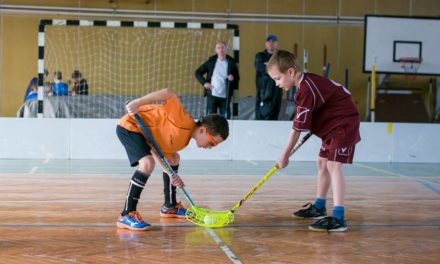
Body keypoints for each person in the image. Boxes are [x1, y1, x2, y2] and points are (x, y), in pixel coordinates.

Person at [267, 50, 361, 232]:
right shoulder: (306, 84)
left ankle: (339, 218)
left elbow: (296, 129)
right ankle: (319, 207)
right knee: (322, 163)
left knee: (334, 165)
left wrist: (284, 155)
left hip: (344, 123)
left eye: (278, 79)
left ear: (291, 72)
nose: (277, 84)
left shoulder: (306, 90)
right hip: (333, 125)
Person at [116, 88, 229, 231]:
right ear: (203, 130)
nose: (211, 147)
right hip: (130, 126)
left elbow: (155, 150)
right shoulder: (182, 121)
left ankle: (170, 206)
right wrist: (138, 102)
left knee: (174, 158)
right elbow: (168, 93)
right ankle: (126, 214)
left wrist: (171, 174)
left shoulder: (183, 141)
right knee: (147, 163)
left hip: (143, 135)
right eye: (212, 142)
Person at [195, 41, 239, 119]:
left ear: (226, 49)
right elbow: (197, 72)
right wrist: (205, 83)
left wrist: (232, 78)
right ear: (216, 50)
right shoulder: (211, 62)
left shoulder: (231, 63)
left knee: (225, 120)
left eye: (222, 47)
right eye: (218, 48)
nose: (221, 50)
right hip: (212, 96)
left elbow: (237, 78)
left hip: (225, 97)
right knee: (211, 120)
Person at [255, 35, 283, 120]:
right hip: (262, 91)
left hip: (277, 90)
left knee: (274, 116)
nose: (271, 44)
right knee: (261, 116)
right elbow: (260, 67)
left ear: (277, 44)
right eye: (269, 42)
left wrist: (268, 65)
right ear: (266, 43)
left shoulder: (280, 56)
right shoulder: (260, 56)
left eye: (273, 42)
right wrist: (274, 67)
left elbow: (282, 68)